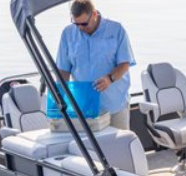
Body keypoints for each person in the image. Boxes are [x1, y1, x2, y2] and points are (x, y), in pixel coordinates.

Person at [56, 0, 136, 130]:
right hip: (85, 109)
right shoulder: (67, 34)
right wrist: (60, 97)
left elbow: (125, 63)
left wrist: (110, 78)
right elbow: (63, 70)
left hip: (115, 106)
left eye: (84, 24)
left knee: (119, 143)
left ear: (94, 14)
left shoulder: (116, 30)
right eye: (76, 24)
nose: (80, 28)